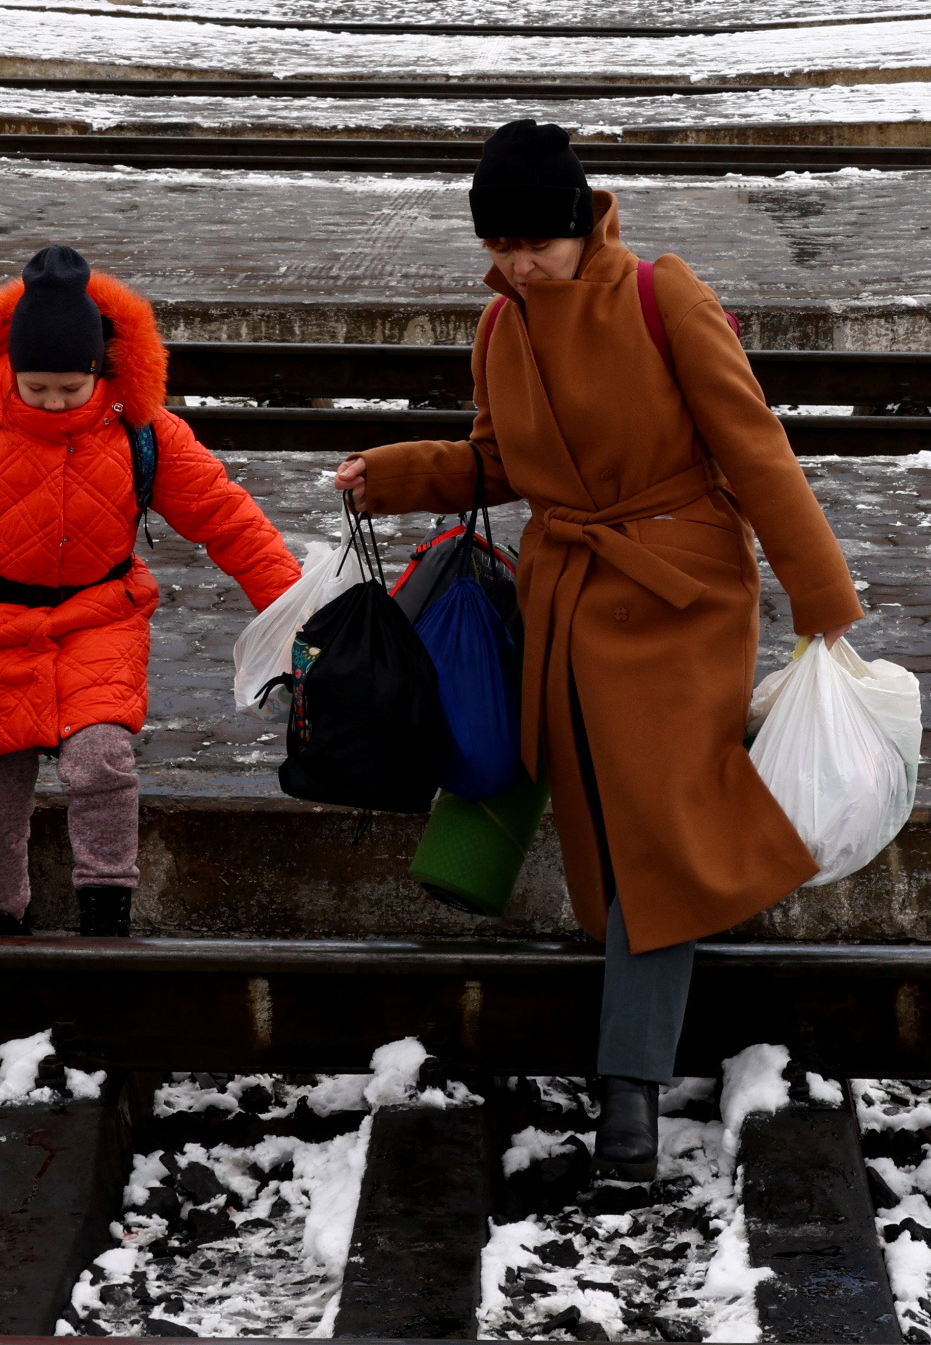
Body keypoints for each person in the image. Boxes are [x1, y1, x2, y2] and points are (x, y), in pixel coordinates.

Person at [332, 119, 861, 1190]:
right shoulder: (499, 327)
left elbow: (752, 445)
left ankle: (630, 1097)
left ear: (580, 225)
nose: (519, 263)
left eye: (536, 243)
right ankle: (638, 1050)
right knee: (612, 843)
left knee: (657, 835)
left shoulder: (665, 296)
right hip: (568, 597)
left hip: (681, 595)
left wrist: (821, 595)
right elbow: (495, 462)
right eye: (501, 247)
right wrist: (388, 474)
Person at [0, 245, 301, 937]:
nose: (52, 401)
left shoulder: (140, 431)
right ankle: (0, 925)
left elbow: (225, 516)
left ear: (98, 371)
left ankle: (107, 918)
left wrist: (289, 604)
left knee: (101, 760)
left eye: (70, 388)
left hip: (101, 619)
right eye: (35, 387)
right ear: (9, 369)